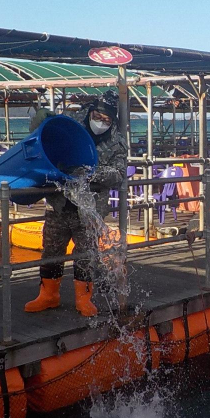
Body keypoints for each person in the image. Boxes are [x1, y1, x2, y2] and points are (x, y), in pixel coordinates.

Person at [25, 90, 127, 316]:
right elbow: (44, 137)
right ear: (91, 111)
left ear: (113, 121)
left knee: (86, 254)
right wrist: (40, 122)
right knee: (52, 250)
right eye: (98, 116)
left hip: (90, 209)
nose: (101, 122)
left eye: (107, 120)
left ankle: (83, 299)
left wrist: (92, 172)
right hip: (59, 203)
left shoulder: (117, 142)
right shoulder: (71, 122)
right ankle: (48, 295)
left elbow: (119, 174)